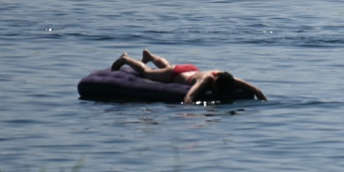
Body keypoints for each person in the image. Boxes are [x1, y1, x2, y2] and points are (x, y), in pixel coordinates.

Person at [111, 50, 266, 103]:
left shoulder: (227, 78)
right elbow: (189, 96)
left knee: (167, 66)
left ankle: (150, 56)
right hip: (178, 74)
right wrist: (188, 114)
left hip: (192, 69)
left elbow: (257, 90)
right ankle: (125, 59)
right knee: (147, 73)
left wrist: (263, 101)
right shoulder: (206, 80)